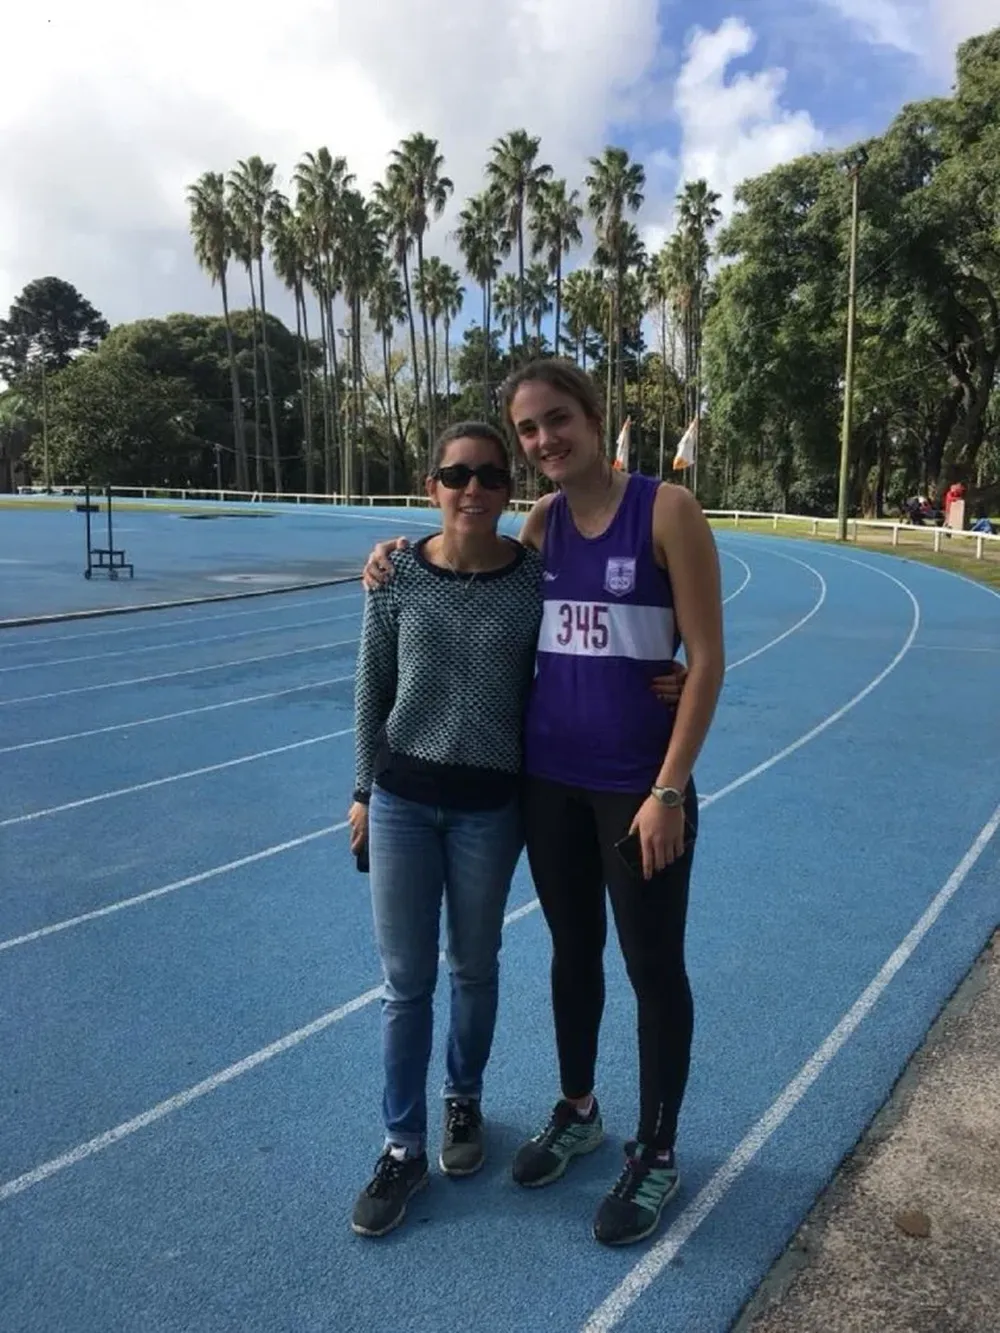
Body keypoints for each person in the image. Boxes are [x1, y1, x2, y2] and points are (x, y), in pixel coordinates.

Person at [361, 358, 724, 1247]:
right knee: (573, 952)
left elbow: (707, 657)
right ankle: (578, 1107)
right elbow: (467, 576)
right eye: (528, 429)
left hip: (639, 793)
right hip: (548, 785)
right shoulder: (542, 525)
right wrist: (389, 555)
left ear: (593, 419)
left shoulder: (667, 510)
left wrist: (670, 787)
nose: (544, 439)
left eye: (556, 419)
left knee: (652, 965)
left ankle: (659, 1151)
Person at [347, 421, 543, 1239]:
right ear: (432, 487)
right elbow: (372, 685)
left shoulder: (536, 580)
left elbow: (588, 659)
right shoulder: (395, 576)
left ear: (508, 491)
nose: (473, 489)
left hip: (489, 808)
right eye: (456, 475)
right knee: (405, 982)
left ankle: (463, 1099)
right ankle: (402, 1145)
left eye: (490, 476)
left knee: (474, 965)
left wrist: (669, 671)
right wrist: (362, 789)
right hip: (400, 801)